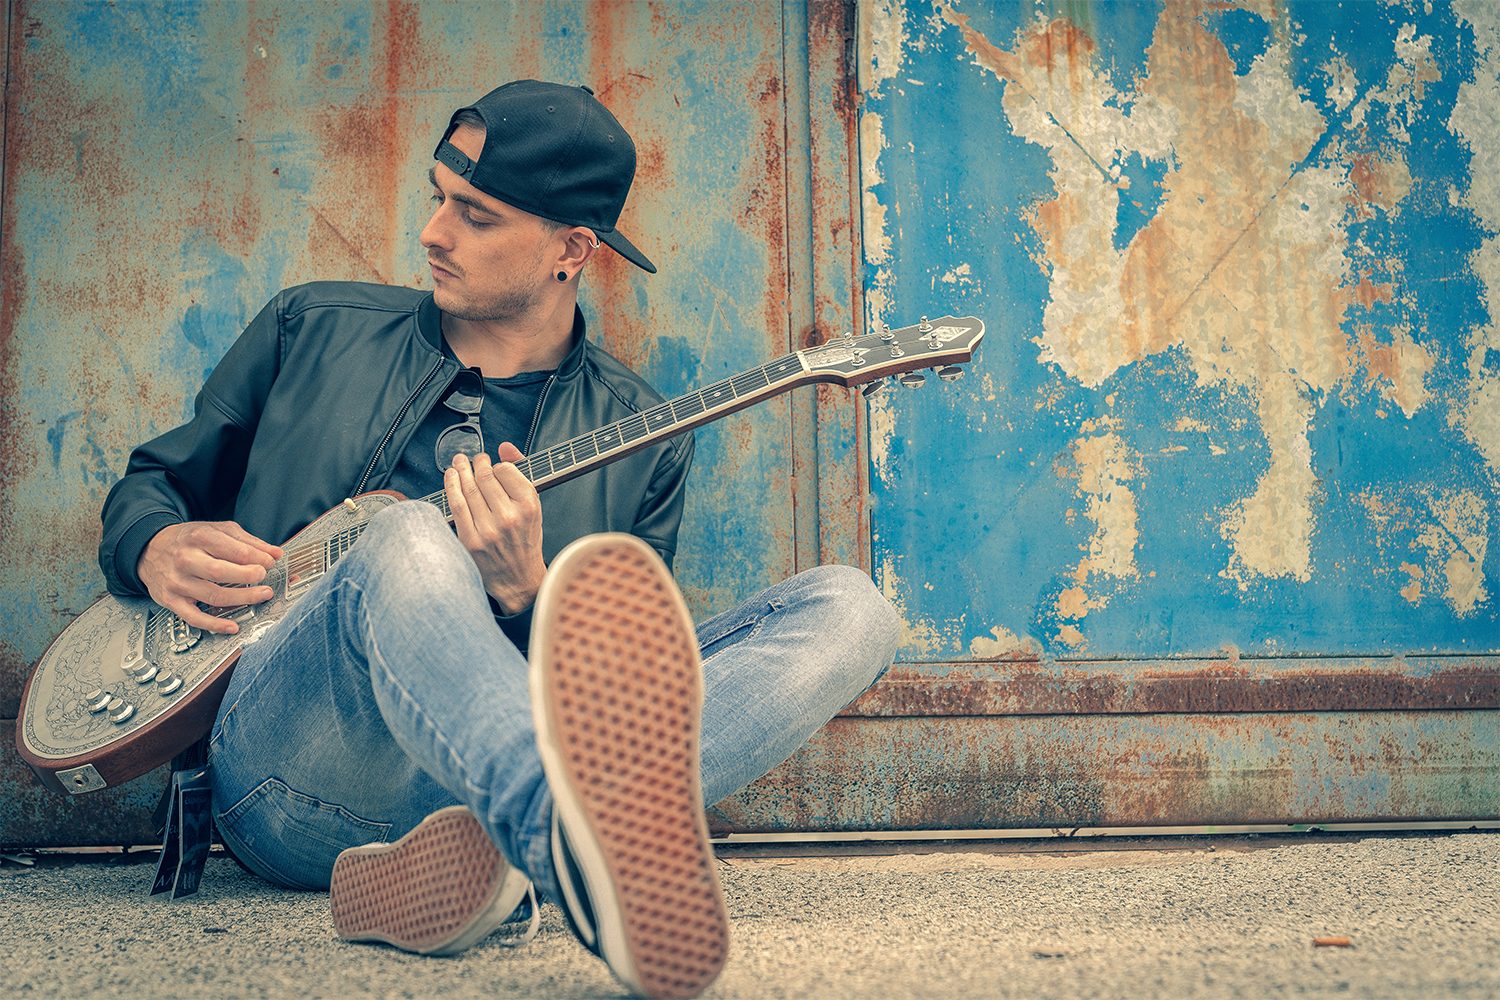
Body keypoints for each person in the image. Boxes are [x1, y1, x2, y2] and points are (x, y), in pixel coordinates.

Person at [99, 80, 900, 999]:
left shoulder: (645, 436)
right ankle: (562, 833)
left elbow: (631, 701)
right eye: (439, 198)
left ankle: (463, 867)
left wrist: (529, 596)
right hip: (287, 768)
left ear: (571, 250)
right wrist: (153, 544)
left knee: (853, 608)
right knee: (405, 537)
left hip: (466, 789)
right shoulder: (308, 327)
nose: (434, 232)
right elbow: (154, 484)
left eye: (474, 214)